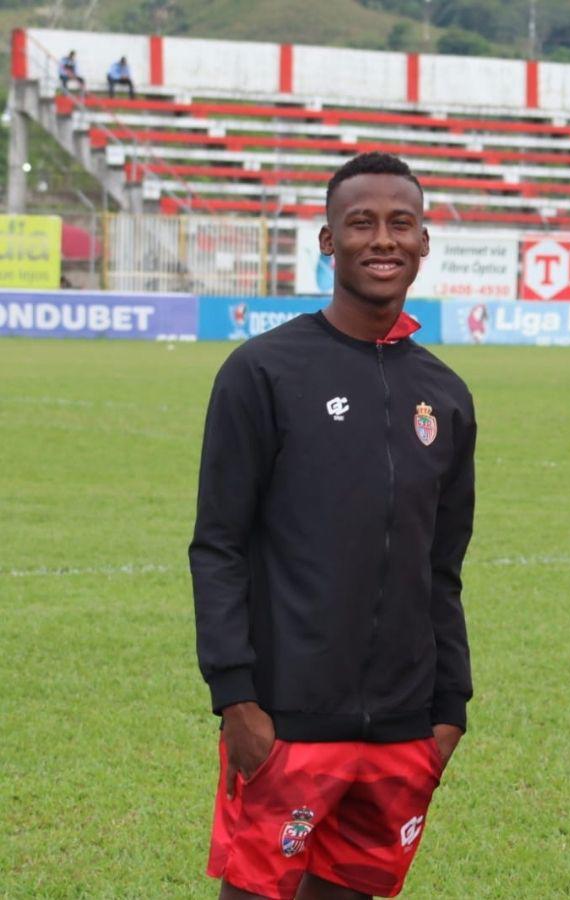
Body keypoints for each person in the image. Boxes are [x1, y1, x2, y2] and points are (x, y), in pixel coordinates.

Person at [190, 151, 476, 900]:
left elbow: (442, 566)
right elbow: (217, 545)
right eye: (361, 224)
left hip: (405, 723)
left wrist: (450, 706)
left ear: (423, 242)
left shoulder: (444, 395)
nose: (382, 240)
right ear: (327, 241)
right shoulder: (263, 372)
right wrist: (237, 699)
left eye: (400, 224)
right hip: (285, 716)